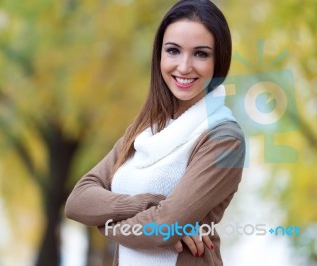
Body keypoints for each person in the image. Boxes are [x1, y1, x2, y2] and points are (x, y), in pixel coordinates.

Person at [65, 0, 245, 265]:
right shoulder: (142, 131)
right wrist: (145, 206)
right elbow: (78, 200)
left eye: (201, 54)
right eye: (173, 51)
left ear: (219, 61)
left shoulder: (224, 139)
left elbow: (165, 224)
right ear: (159, 54)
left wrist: (106, 225)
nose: (184, 67)